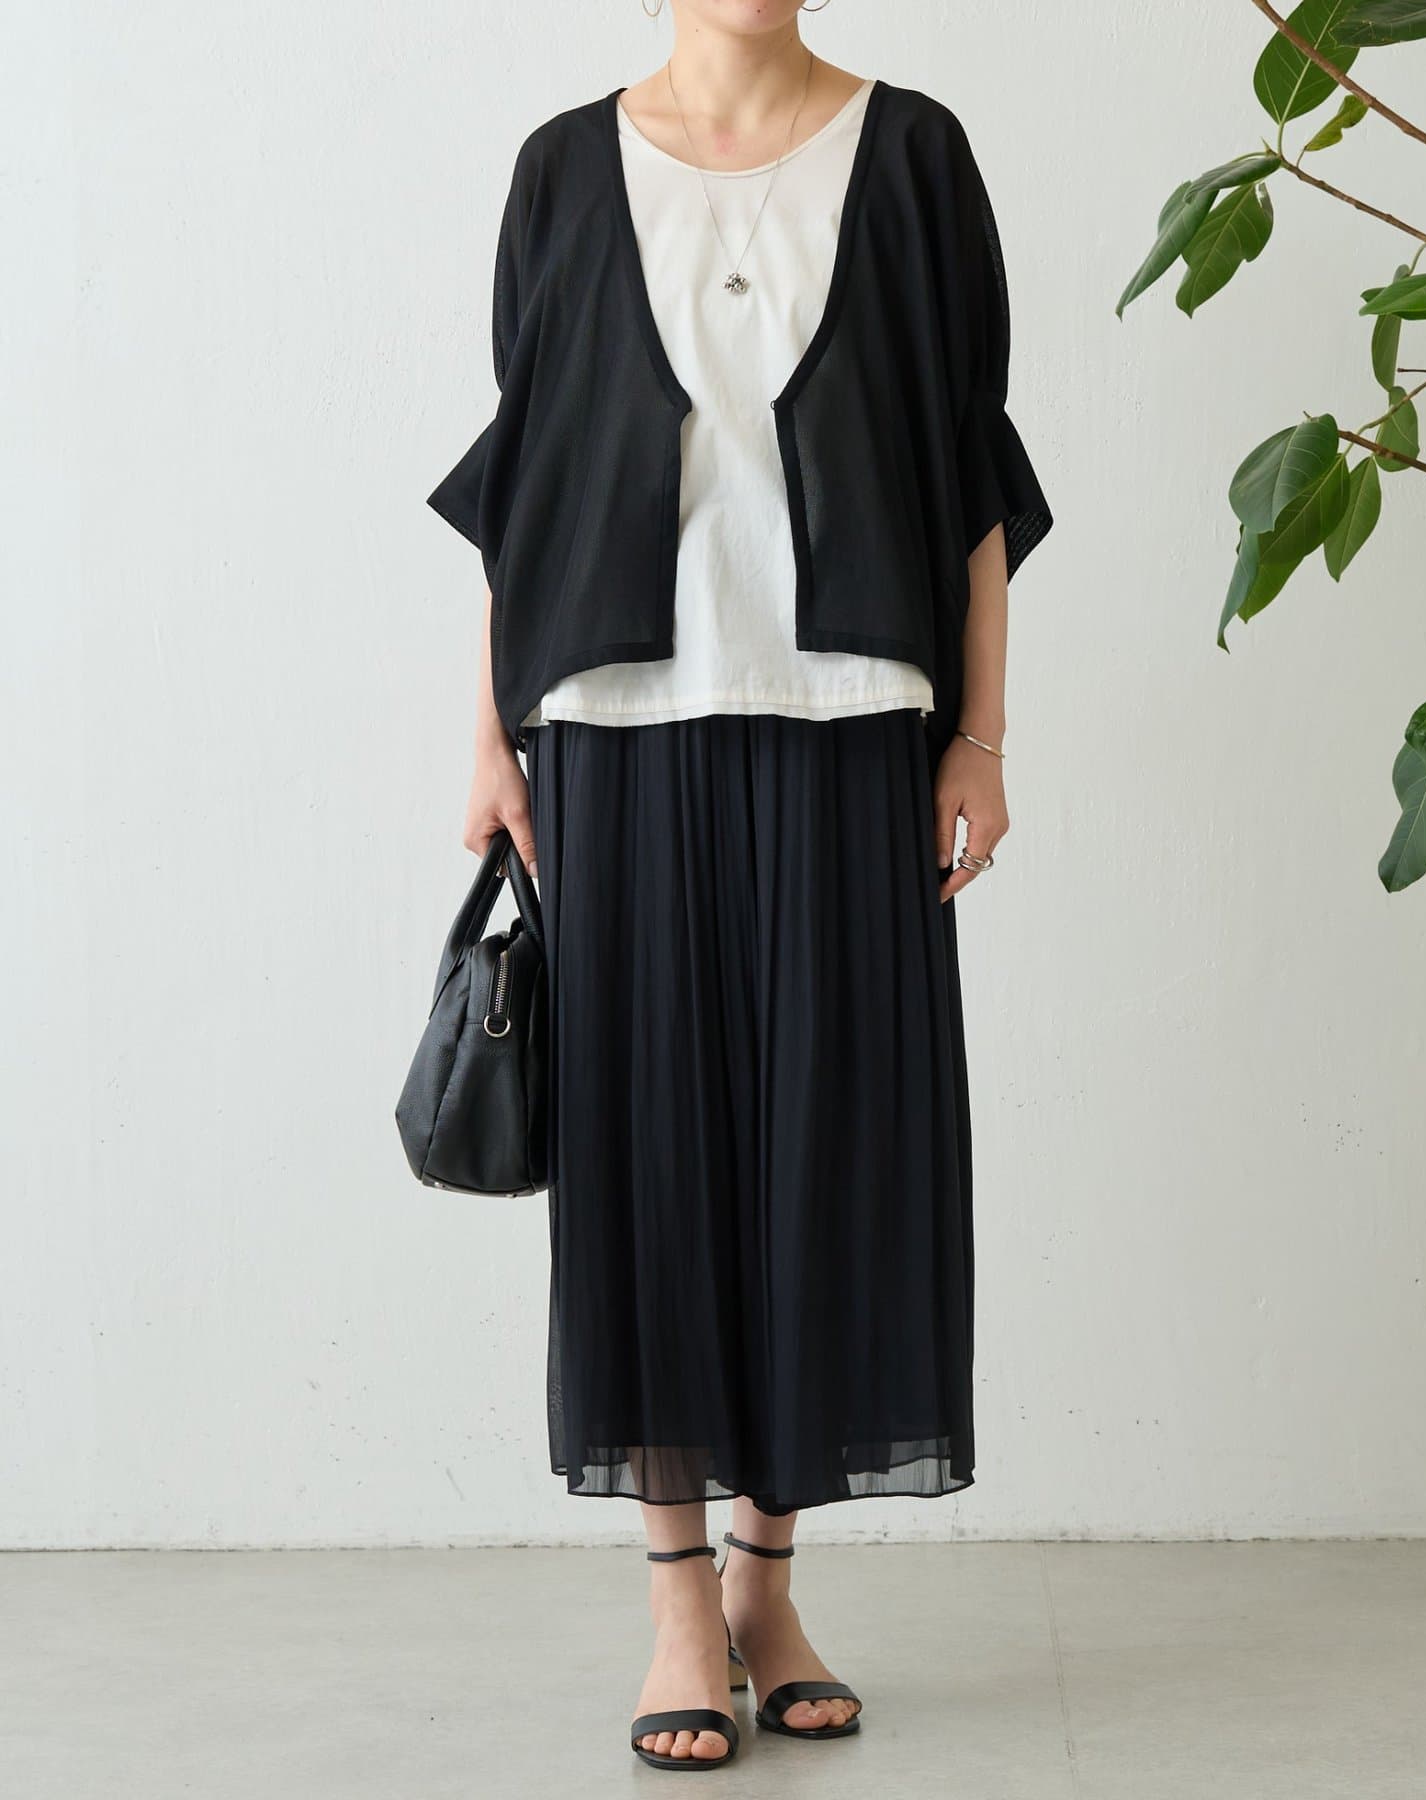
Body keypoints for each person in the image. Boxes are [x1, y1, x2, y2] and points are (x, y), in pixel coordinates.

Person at [428, 0, 1052, 1771]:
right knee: (647, 1166)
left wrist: (980, 737)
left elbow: (971, 472)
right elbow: (529, 475)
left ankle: (770, 1588)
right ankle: (678, 1609)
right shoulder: (564, 170)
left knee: (826, 1157)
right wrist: (488, 738)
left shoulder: (914, 154)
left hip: (855, 724)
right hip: (612, 732)